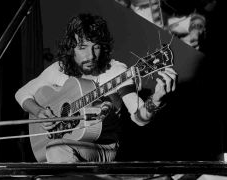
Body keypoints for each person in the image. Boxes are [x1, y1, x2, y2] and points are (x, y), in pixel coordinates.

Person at [15, 13, 177, 162]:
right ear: (71, 48)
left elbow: (139, 118)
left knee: (57, 149)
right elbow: (22, 93)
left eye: (96, 47)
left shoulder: (116, 71)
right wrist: (38, 112)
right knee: (56, 149)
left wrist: (155, 100)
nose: (90, 55)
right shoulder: (60, 68)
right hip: (63, 143)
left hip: (103, 146)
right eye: (82, 47)